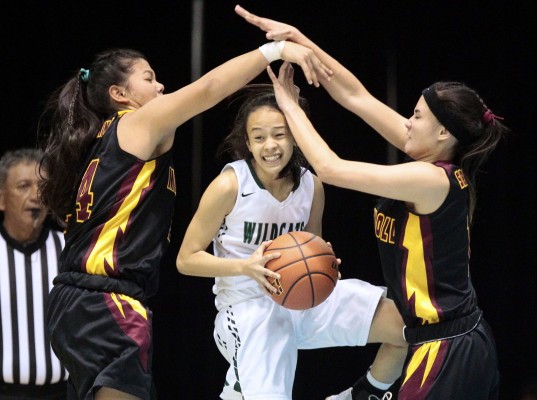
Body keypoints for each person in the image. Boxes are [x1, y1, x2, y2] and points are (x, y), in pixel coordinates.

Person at [237, 5, 510, 399]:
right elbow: (354, 95)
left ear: (443, 133)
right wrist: (299, 40)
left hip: (448, 347)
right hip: (438, 340)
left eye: (416, 116)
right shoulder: (429, 157)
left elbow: (330, 168)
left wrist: (290, 107)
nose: (407, 123)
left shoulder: (430, 178)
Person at [37, 39, 333, 400]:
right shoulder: (136, 124)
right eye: (149, 78)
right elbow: (208, 88)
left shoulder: (101, 142)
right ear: (119, 94)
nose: (161, 86)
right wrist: (275, 51)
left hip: (76, 301)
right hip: (106, 299)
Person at [176, 85, 408, 400]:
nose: (269, 145)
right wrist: (246, 267)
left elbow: (312, 247)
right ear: (248, 143)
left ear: (295, 136)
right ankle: (240, 387)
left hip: (302, 300)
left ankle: (360, 395)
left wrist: (325, 264)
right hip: (247, 310)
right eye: (258, 137)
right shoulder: (230, 185)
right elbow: (186, 260)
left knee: (406, 326)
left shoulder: (312, 186)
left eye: (279, 134)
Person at [0, 148, 68, 400]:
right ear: (2, 199)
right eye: (23, 186)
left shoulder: (69, 248)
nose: (35, 196)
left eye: (42, 186)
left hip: (62, 393)